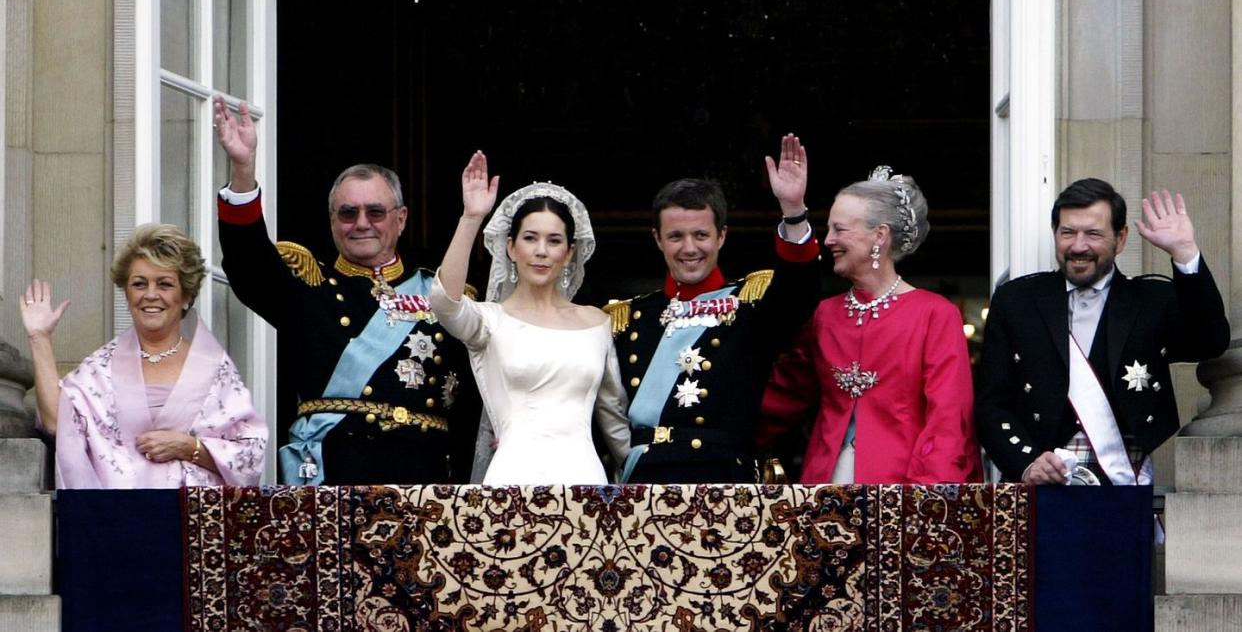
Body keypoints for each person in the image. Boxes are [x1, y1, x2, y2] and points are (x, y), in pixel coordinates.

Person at [212, 97, 480, 485]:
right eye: (348, 213)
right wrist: (242, 169)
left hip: (424, 478)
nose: (361, 223)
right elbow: (247, 261)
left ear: (400, 219)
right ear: (332, 220)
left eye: (375, 212)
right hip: (333, 473)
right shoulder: (307, 288)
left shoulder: (443, 295)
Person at [976, 179, 1229, 485]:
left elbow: (1210, 342)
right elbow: (991, 403)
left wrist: (1185, 252)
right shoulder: (1016, 301)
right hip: (1038, 485)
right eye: (1067, 232)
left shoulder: (1151, 300)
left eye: (1093, 234)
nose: (1078, 246)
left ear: (1120, 239)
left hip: (1122, 481)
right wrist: (1027, 462)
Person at [606, 134, 820, 483]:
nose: (689, 248)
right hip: (642, 481)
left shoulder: (751, 303)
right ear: (657, 239)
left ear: (721, 236)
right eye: (676, 236)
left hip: (721, 478)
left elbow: (800, 290)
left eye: (701, 235)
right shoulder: (630, 318)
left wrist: (794, 211)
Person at [759, 167, 982, 484]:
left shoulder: (934, 314)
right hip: (824, 485)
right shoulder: (825, 315)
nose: (829, 240)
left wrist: (927, 501)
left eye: (840, 229)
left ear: (880, 235)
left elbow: (948, 417)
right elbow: (782, 398)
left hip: (905, 488)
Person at [428, 151, 629, 484]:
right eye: (530, 238)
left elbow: (615, 422)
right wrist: (471, 218)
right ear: (510, 247)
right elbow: (445, 303)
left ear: (570, 253)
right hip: (512, 481)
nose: (541, 251)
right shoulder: (489, 322)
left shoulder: (597, 323)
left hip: (586, 483)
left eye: (554, 241)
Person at [19, 224, 267, 488]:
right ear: (127, 293)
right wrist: (40, 338)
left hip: (193, 522)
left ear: (185, 295)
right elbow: (58, 422)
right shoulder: (103, 367)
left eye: (165, 284)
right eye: (139, 284)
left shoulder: (214, 369)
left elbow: (250, 457)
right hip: (120, 520)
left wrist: (189, 447)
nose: (150, 294)